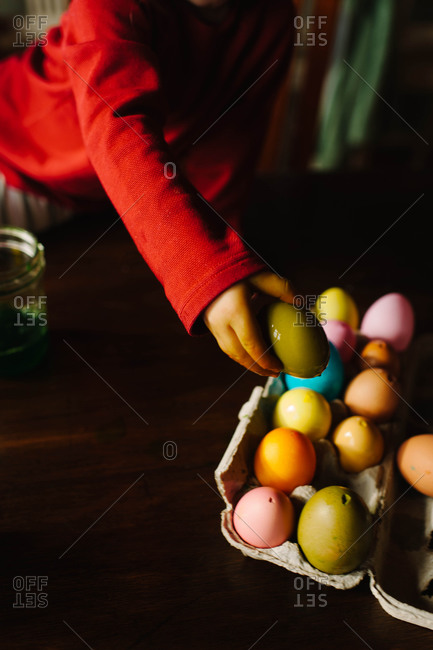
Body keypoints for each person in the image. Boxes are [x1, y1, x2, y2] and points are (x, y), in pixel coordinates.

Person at [0, 0, 295, 377]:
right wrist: (204, 268)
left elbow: (227, 147)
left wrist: (226, 256)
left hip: (96, 193)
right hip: (14, 157)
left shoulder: (272, 17)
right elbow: (119, 127)